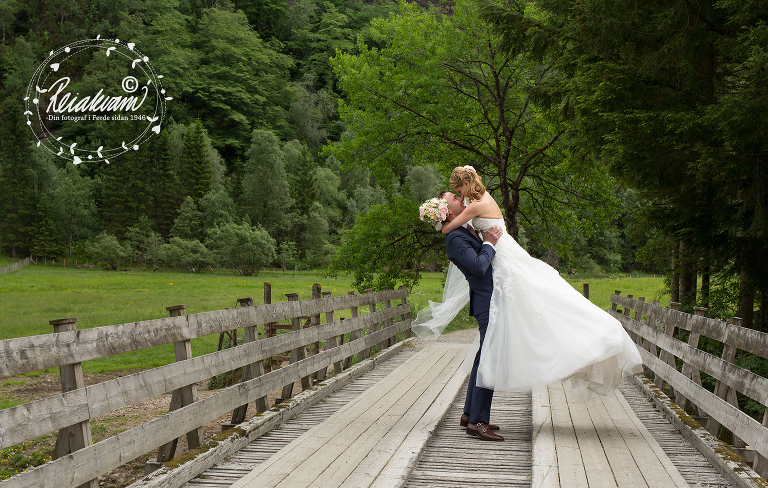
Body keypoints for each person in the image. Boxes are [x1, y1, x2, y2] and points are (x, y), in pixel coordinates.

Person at [414, 166, 642, 401]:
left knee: (541, 302)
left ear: (466, 183)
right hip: (502, 257)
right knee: (531, 308)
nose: (459, 196)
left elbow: (449, 229)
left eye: (458, 190)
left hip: (503, 256)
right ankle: (477, 409)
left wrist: (440, 222)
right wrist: (441, 214)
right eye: (455, 195)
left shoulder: (475, 205)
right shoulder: (479, 199)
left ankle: (583, 340)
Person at [416, 190, 505, 440]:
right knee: (487, 359)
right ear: (448, 210)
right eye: (454, 197)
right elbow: (478, 267)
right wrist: (489, 243)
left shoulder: (463, 228)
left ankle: (469, 414)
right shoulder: (455, 237)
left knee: (483, 357)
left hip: (490, 300)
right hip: (486, 301)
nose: (460, 197)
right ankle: (477, 422)